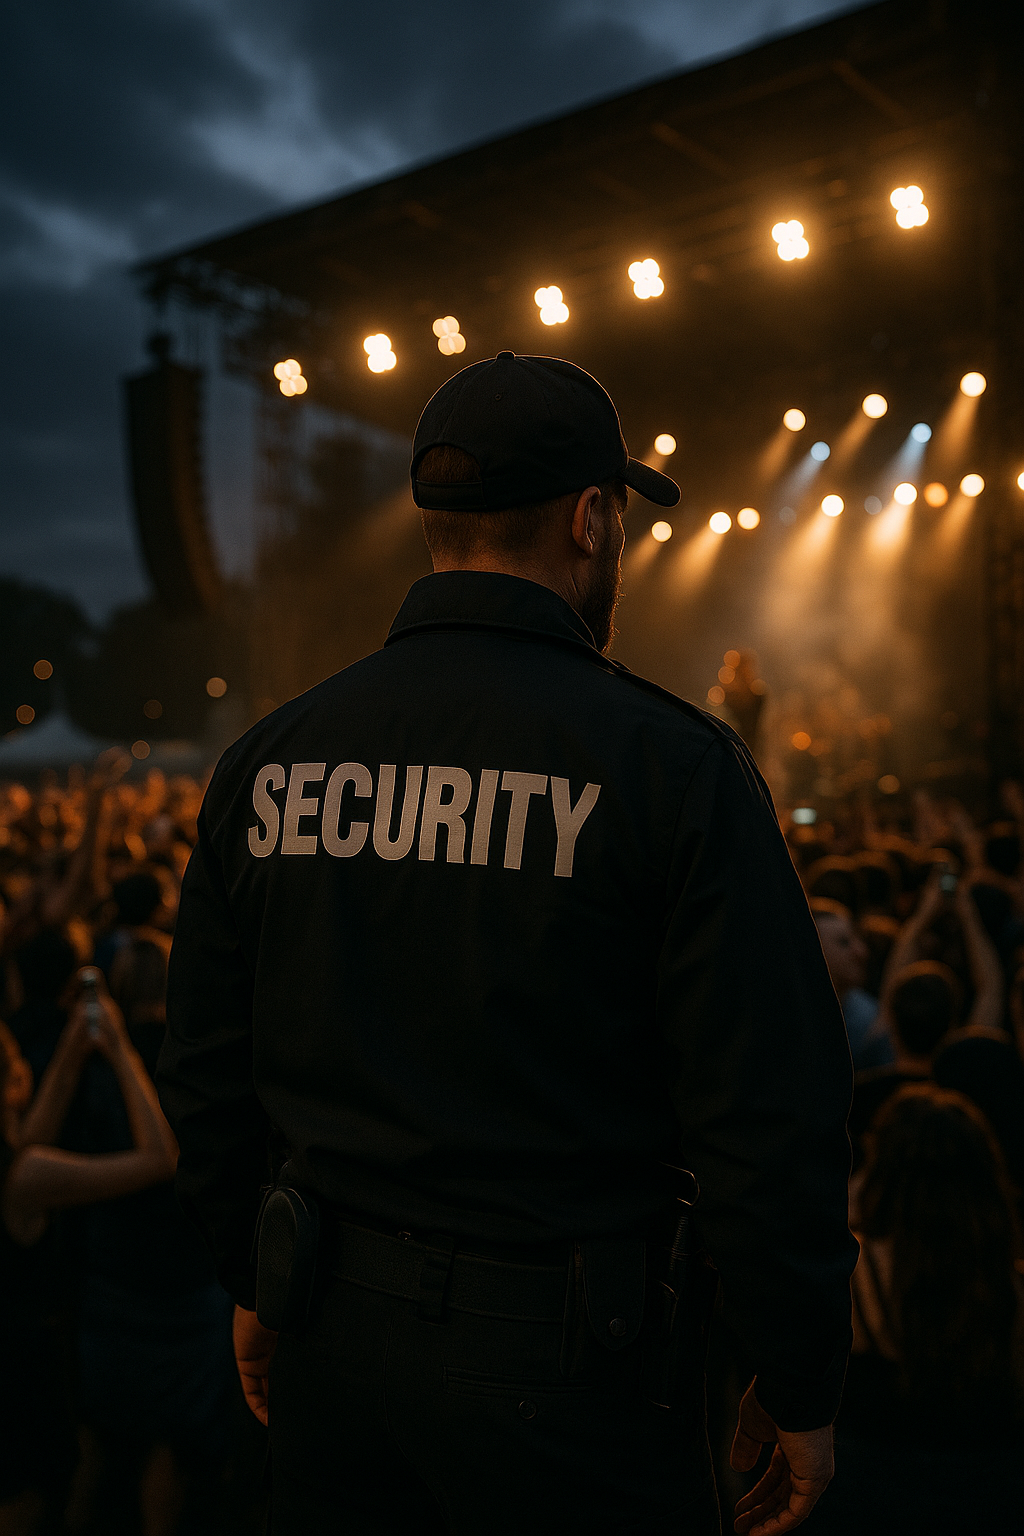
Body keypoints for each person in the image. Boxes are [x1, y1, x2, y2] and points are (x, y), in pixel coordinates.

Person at [159, 351, 856, 1535]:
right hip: (578, 1385)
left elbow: (208, 1071)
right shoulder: (673, 769)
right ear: (593, 520)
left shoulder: (269, 760)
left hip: (330, 1347)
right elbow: (766, 1107)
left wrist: (257, 1275)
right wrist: (796, 1371)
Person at [0, 977, 178, 1530]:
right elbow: (157, 1158)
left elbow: (33, 1137)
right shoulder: (23, 1177)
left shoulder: (16, 1162)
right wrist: (122, 1051)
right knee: (27, 1504)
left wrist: (74, 1050)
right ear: (12, 1084)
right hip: (22, 1373)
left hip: (15, 1355)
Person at [810, 1083, 1024, 1532]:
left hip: (862, 1504)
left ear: (883, 1169)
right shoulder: (1008, 1288)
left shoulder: (850, 1277)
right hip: (990, 1504)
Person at [810, 898, 892, 1070]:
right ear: (814, 951)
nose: (861, 952)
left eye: (857, 938)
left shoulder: (870, 1017)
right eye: (844, 943)